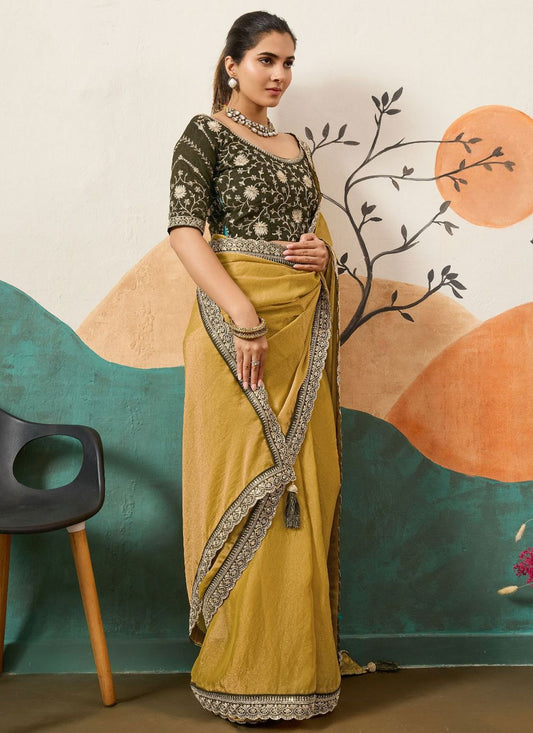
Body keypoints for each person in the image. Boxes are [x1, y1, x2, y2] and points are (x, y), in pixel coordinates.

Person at [167, 10, 342, 723]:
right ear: (232, 63)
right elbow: (185, 233)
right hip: (232, 328)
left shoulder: (297, 146)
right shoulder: (203, 134)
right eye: (266, 60)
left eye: (288, 62)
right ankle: (239, 670)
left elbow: (310, 234)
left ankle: (297, 670)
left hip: (300, 329)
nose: (279, 75)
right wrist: (243, 314)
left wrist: (322, 254)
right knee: (242, 479)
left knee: (305, 484)